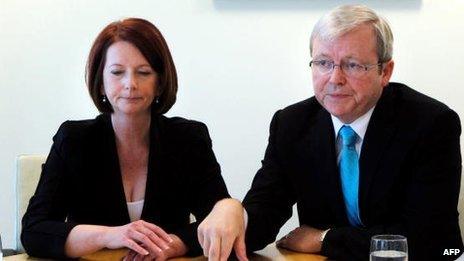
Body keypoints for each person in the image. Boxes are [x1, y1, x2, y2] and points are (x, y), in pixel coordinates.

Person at [198, 5, 463, 261]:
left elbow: (429, 239)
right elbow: (265, 212)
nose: (335, 78)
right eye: (323, 62)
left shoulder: (431, 124)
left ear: (385, 71)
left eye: (353, 65)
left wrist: (324, 239)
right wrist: (232, 213)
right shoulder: (292, 124)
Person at [21, 18, 230, 260]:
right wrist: (112, 235)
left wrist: (174, 244)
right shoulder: (74, 140)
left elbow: (219, 222)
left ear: (160, 83)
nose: (130, 84)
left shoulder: (188, 139)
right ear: (101, 83)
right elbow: (35, 231)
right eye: (117, 72)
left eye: (143, 72)